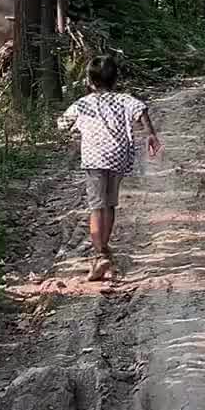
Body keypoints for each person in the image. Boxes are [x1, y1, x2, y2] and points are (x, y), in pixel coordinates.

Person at [59, 54, 160, 280]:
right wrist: (151, 133)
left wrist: (76, 129)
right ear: (116, 79)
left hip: (94, 161)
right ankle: (105, 250)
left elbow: (62, 124)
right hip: (117, 159)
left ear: (88, 81)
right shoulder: (124, 99)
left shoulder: (82, 104)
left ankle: (100, 254)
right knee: (110, 204)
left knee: (97, 206)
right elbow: (141, 109)